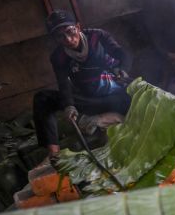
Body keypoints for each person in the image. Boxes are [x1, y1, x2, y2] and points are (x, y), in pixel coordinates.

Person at [33, 10, 132, 157]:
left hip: (113, 97)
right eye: (60, 36)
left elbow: (123, 54)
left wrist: (123, 70)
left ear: (78, 27)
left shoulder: (97, 36)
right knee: (42, 98)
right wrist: (69, 105)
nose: (68, 39)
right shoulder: (58, 57)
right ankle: (53, 154)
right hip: (89, 100)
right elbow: (63, 83)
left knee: (130, 98)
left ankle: (102, 119)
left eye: (70, 31)